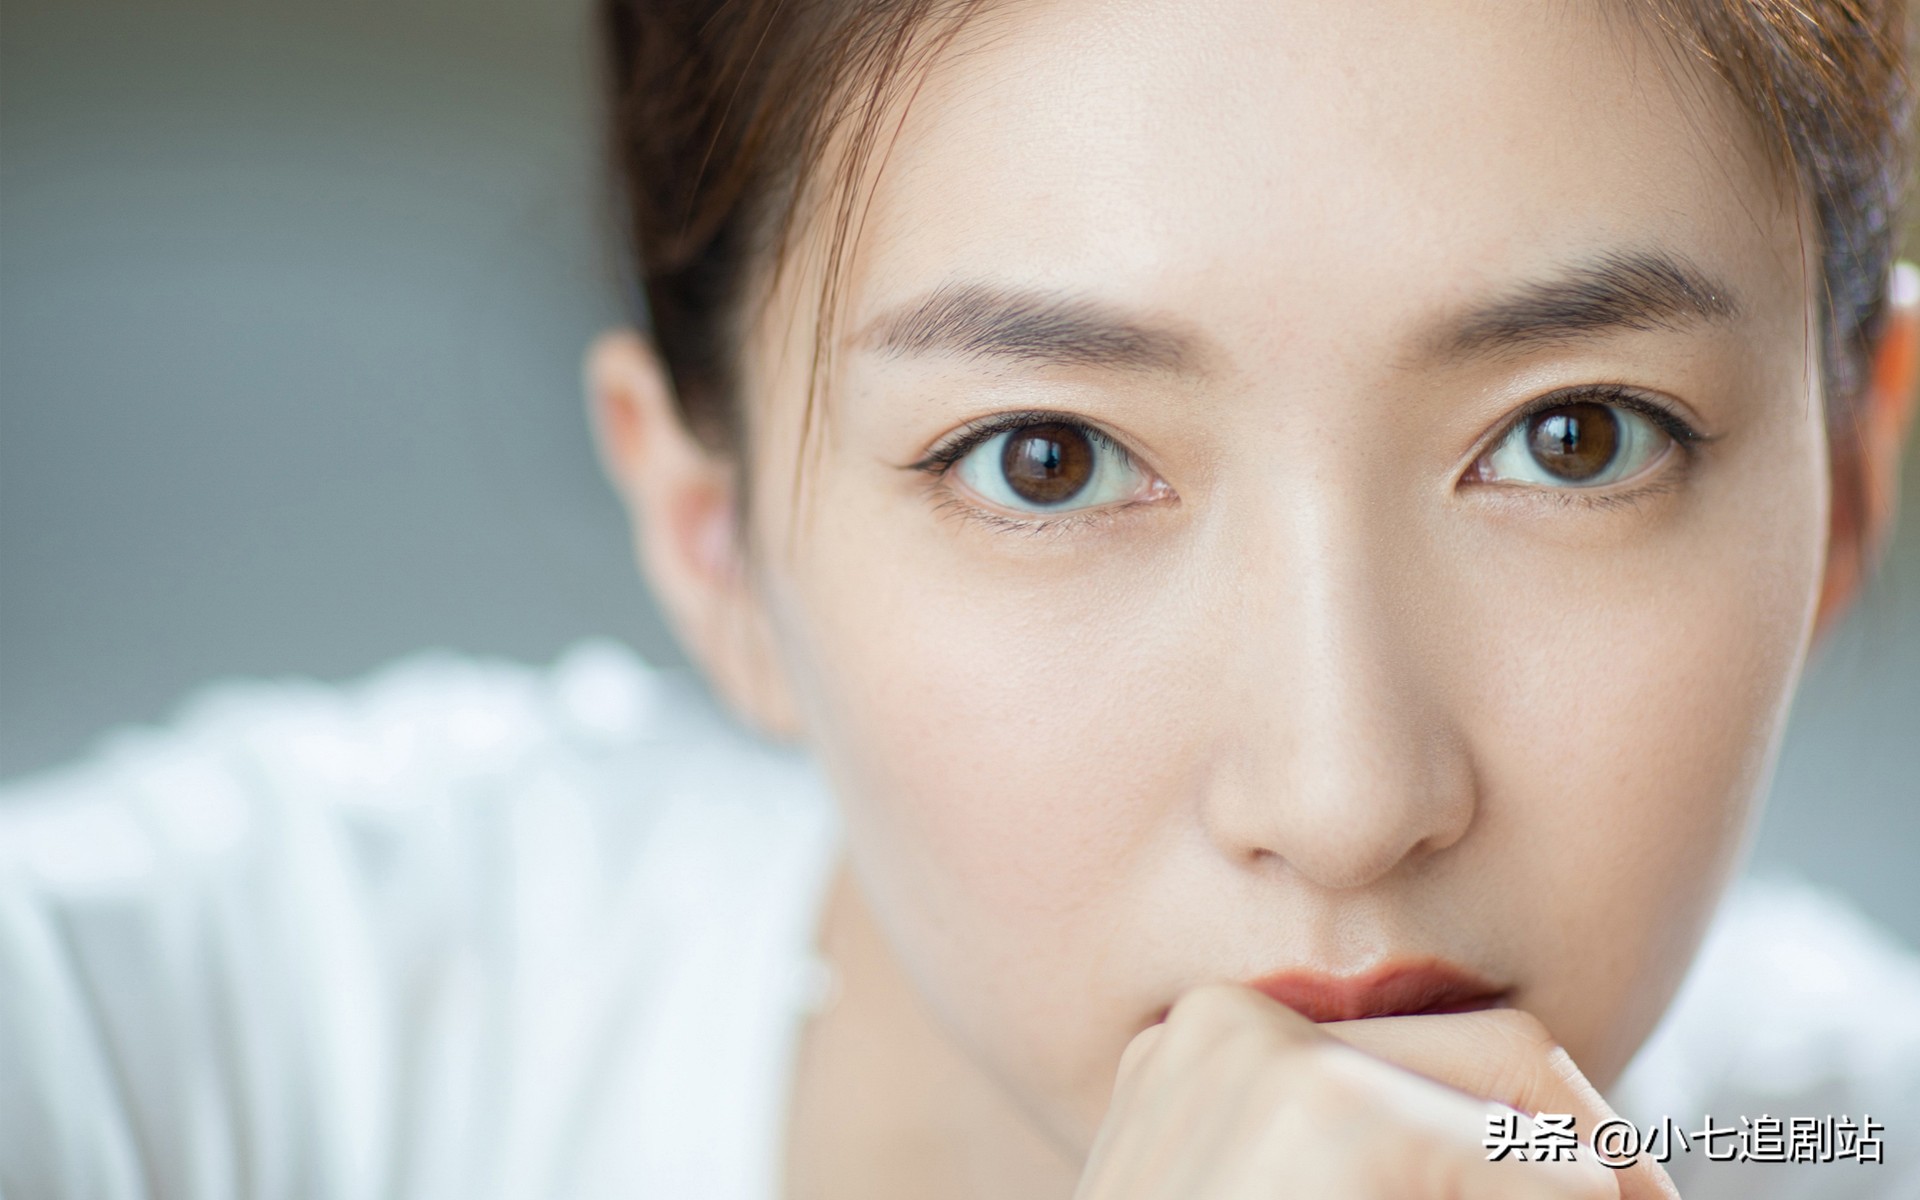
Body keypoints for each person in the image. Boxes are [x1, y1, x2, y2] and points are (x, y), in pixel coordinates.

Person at [3, 0, 1919, 1196]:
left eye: (1578, 439)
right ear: (713, 538)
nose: (1343, 799)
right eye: (1047, 460)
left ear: (1849, 481)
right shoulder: (162, 1053)